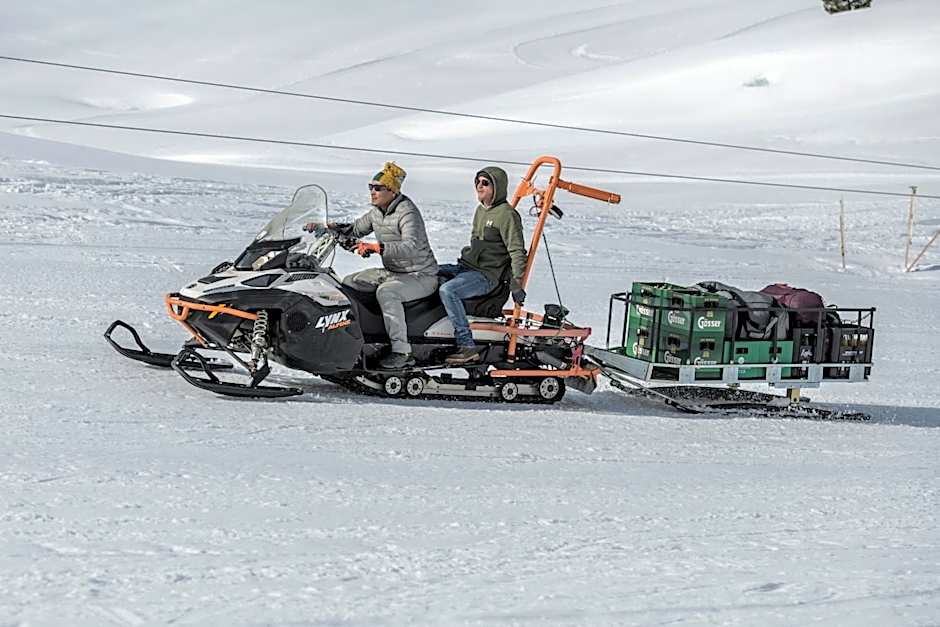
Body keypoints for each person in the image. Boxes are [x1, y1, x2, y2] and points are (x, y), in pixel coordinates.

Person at [307, 162, 438, 369]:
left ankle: (401, 351)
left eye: (378, 188)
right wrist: (326, 226)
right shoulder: (377, 212)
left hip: (421, 275)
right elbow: (355, 229)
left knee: (388, 293)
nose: (373, 192)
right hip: (393, 271)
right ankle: (361, 338)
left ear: (392, 191)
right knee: (349, 283)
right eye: (371, 187)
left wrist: (377, 247)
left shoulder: (407, 212)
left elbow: (411, 247)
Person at [439, 166, 528, 365]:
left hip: (486, 276)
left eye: (485, 183)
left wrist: (516, 282)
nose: (480, 186)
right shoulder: (481, 210)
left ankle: (466, 346)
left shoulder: (507, 215)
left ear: (498, 187)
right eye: (477, 182)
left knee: (448, 291)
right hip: (468, 267)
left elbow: (517, 251)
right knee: (429, 272)